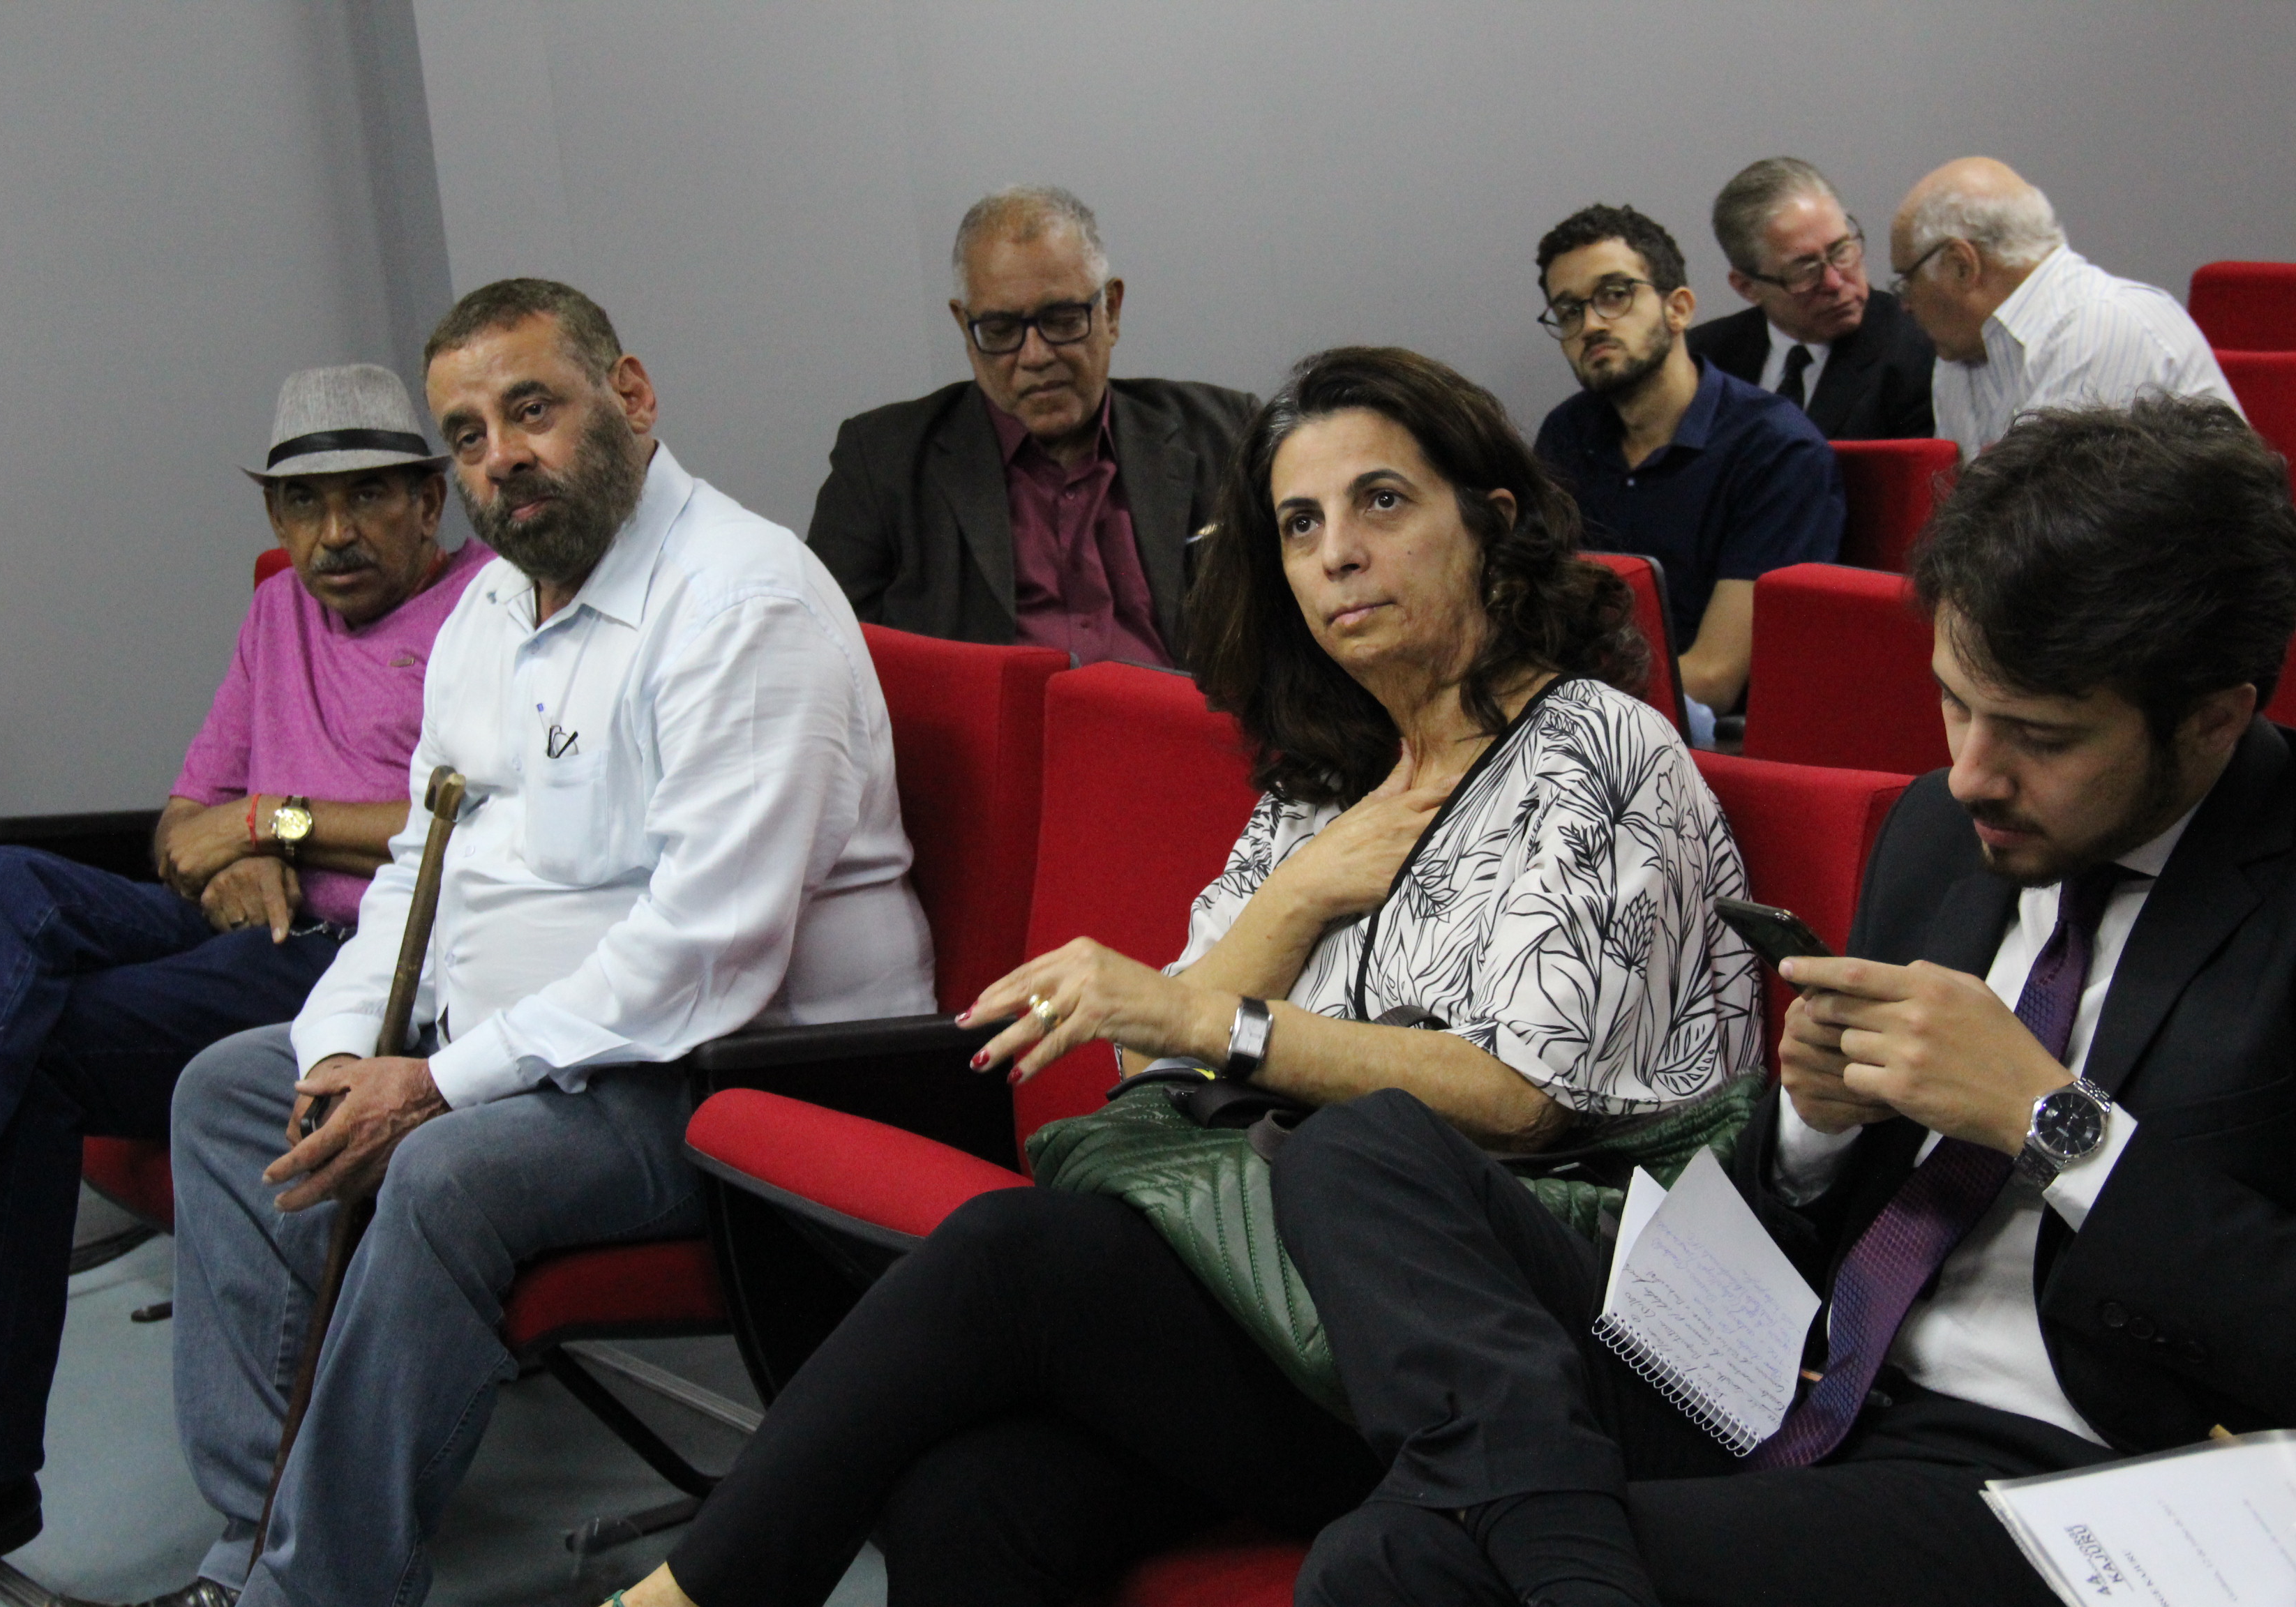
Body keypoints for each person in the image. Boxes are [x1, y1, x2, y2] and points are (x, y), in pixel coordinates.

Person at [592, 347, 1766, 1607]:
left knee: (1014, 1255)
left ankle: (690, 1594)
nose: (1337, 554)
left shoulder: (1597, 747)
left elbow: (1520, 1098)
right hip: (1298, 1297)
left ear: (1490, 523)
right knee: (968, 1495)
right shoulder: (1332, 777)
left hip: (1514, 1343)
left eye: (1380, 502)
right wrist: (1300, 894)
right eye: (1300, 524)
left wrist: (1214, 1014)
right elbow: (1162, 1060)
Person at [1258, 394, 2296, 1607]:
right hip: (1788, 1368)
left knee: (1394, 1558)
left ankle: (1536, 1533)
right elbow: (1781, 1223)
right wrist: (1814, 1123)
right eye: (1955, 702)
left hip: (2046, 1464)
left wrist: (2051, 1120)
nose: (1969, 771)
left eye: (2042, 737)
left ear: (2214, 719)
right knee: (1358, 1147)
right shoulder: (1941, 829)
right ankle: (1557, 1542)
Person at [147, 280, 934, 1607]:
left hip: (736, 1079)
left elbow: (707, 954)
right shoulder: (493, 613)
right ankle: (256, 1543)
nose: (499, 458)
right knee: (230, 1090)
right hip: (535, 1055)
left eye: (532, 411)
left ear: (631, 396)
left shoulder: (738, 603)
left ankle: (316, 1590)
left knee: (443, 1170)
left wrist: (435, 1082)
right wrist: (342, 1049)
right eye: (466, 435)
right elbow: (421, 867)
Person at [0, 364, 487, 1607]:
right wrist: (219, 857)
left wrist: (271, 824)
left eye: (369, 496)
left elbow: (473, 821)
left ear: (431, 499)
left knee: (23, 1062)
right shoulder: (277, 614)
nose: (333, 533)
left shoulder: (491, 610)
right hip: (240, 925)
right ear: (274, 516)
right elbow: (182, 819)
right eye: (304, 504)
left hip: (359, 958)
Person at [806, 185, 1256, 667]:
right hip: (989, 720)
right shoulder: (880, 467)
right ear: (965, 329)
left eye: (1062, 320)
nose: (1035, 356)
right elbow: (821, 659)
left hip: (1186, 714)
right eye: (1001, 330)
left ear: (1111, 311)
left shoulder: (1226, 434)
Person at [1531, 204, 1844, 735]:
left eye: (1614, 295)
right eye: (1568, 311)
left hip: (1709, 743)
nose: (1591, 324)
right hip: (1580, 718)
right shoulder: (1568, 434)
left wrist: (1543, 707)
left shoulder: (1775, 448)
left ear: (1678, 309)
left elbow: (1716, 676)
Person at [1892, 156, 2242, 460]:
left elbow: (2049, 511)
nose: (1905, 304)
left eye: (1908, 280)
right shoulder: (1958, 355)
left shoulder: (2101, 327)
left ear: (1961, 265)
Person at [1686, 158, 1937, 440]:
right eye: (1804, 270)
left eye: (1841, 251)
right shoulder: (1699, 362)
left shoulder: (1918, 351)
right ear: (1747, 287)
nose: (1834, 282)